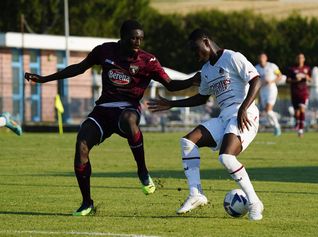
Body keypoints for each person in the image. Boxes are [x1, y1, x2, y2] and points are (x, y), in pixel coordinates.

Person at [25, 20, 199, 216]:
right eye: (133, 38)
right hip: (102, 111)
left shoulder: (148, 61)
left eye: (141, 39)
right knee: (81, 144)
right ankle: (86, 202)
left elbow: (170, 85)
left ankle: (142, 171)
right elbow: (79, 68)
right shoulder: (105, 51)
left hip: (128, 108)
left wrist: (192, 80)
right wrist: (45, 79)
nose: (137, 42)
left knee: (128, 120)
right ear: (122, 37)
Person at [148, 29, 264, 221]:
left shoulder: (232, 57)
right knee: (188, 142)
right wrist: (172, 104)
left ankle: (254, 203)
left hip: (245, 113)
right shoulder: (206, 71)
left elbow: (256, 80)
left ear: (206, 41)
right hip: (225, 117)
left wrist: (244, 108)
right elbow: (201, 98)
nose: (196, 55)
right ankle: (196, 194)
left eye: (196, 49)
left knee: (226, 158)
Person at [255, 53, 282, 136]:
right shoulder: (256, 68)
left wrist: (271, 81)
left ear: (266, 58)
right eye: (260, 57)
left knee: (268, 110)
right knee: (266, 112)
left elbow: (279, 76)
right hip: (263, 91)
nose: (261, 59)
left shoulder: (272, 66)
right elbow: (255, 81)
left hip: (271, 90)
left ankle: (277, 126)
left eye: (263, 57)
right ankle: (275, 126)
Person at [286, 53, 312, 137]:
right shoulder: (292, 69)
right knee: (296, 113)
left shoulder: (307, 68)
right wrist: (295, 80)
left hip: (303, 92)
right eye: (298, 58)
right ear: (296, 59)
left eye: (301, 58)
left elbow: (310, 79)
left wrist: (307, 78)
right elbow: (287, 80)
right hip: (294, 92)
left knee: (302, 109)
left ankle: (301, 129)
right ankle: (297, 123)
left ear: (304, 59)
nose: (300, 59)